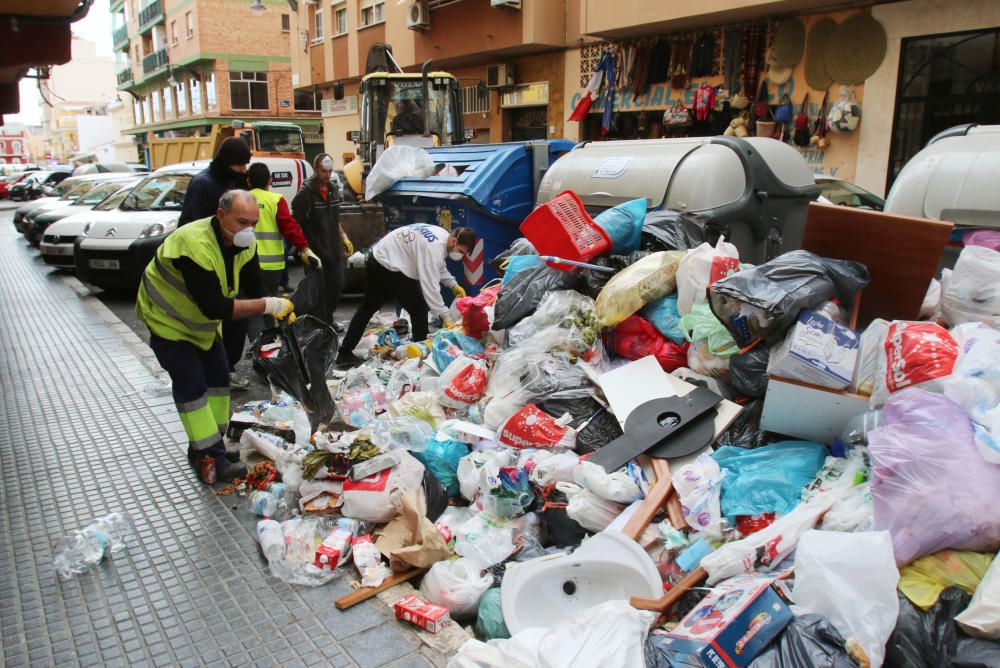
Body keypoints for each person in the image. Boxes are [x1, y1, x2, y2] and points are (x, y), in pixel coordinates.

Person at [137, 190, 296, 484]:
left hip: (202, 326)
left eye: (253, 222)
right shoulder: (193, 244)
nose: (247, 230)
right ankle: (212, 459)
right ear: (220, 215)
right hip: (168, 320)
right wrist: (268, 305)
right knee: (193, 387)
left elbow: (254, 286)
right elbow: (217, 306)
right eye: (241, 221)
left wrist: (278, 313)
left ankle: (209, 447)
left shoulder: (245, 244)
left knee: (218, 382)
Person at [337, 224, 474, 366]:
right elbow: (430, 286)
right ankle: (418, 358)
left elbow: (438, 265)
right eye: (461, 252)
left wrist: (452, 284)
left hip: (378, 258)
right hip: (389, 265)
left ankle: (344, 353)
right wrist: (446, 316)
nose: (460, 255)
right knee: (419, 310)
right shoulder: (434, 247)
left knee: (367, 309)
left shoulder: (441, 235)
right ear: (453, 241)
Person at [178, 136, 254, 387]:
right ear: (226, 162)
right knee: (215, 319)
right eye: (240, 164)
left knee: (236, 322)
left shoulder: (235, 182)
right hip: (208, 264)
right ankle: (212, 371)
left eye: (246, 164)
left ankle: (226, 369)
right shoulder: (203, 184)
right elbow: (190, 227)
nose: (244, 169)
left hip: (232, 262)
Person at [246, 162, 321, 341]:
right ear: (270, 181)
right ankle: (269, 344)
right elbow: (290, 228)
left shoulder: (240, 199)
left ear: (248, 182)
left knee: (252, 308)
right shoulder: (275, 200)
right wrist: (305, 248)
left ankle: (260, 345)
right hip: (272, 266)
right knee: (270, 304)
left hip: (247, 265)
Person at [291, 153, 352, 327]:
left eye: (330, 171)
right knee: (319, 289)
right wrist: (303, 249)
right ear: (316, 168)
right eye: (324, 171)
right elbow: (296, 223)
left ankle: (327, 319)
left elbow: (335, 219)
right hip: (316, 250)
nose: (327, 175)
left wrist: (344, 237)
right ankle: (319, 322)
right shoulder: (306, 193)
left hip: (333, 247)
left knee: (337, 285)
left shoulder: (333, 189)